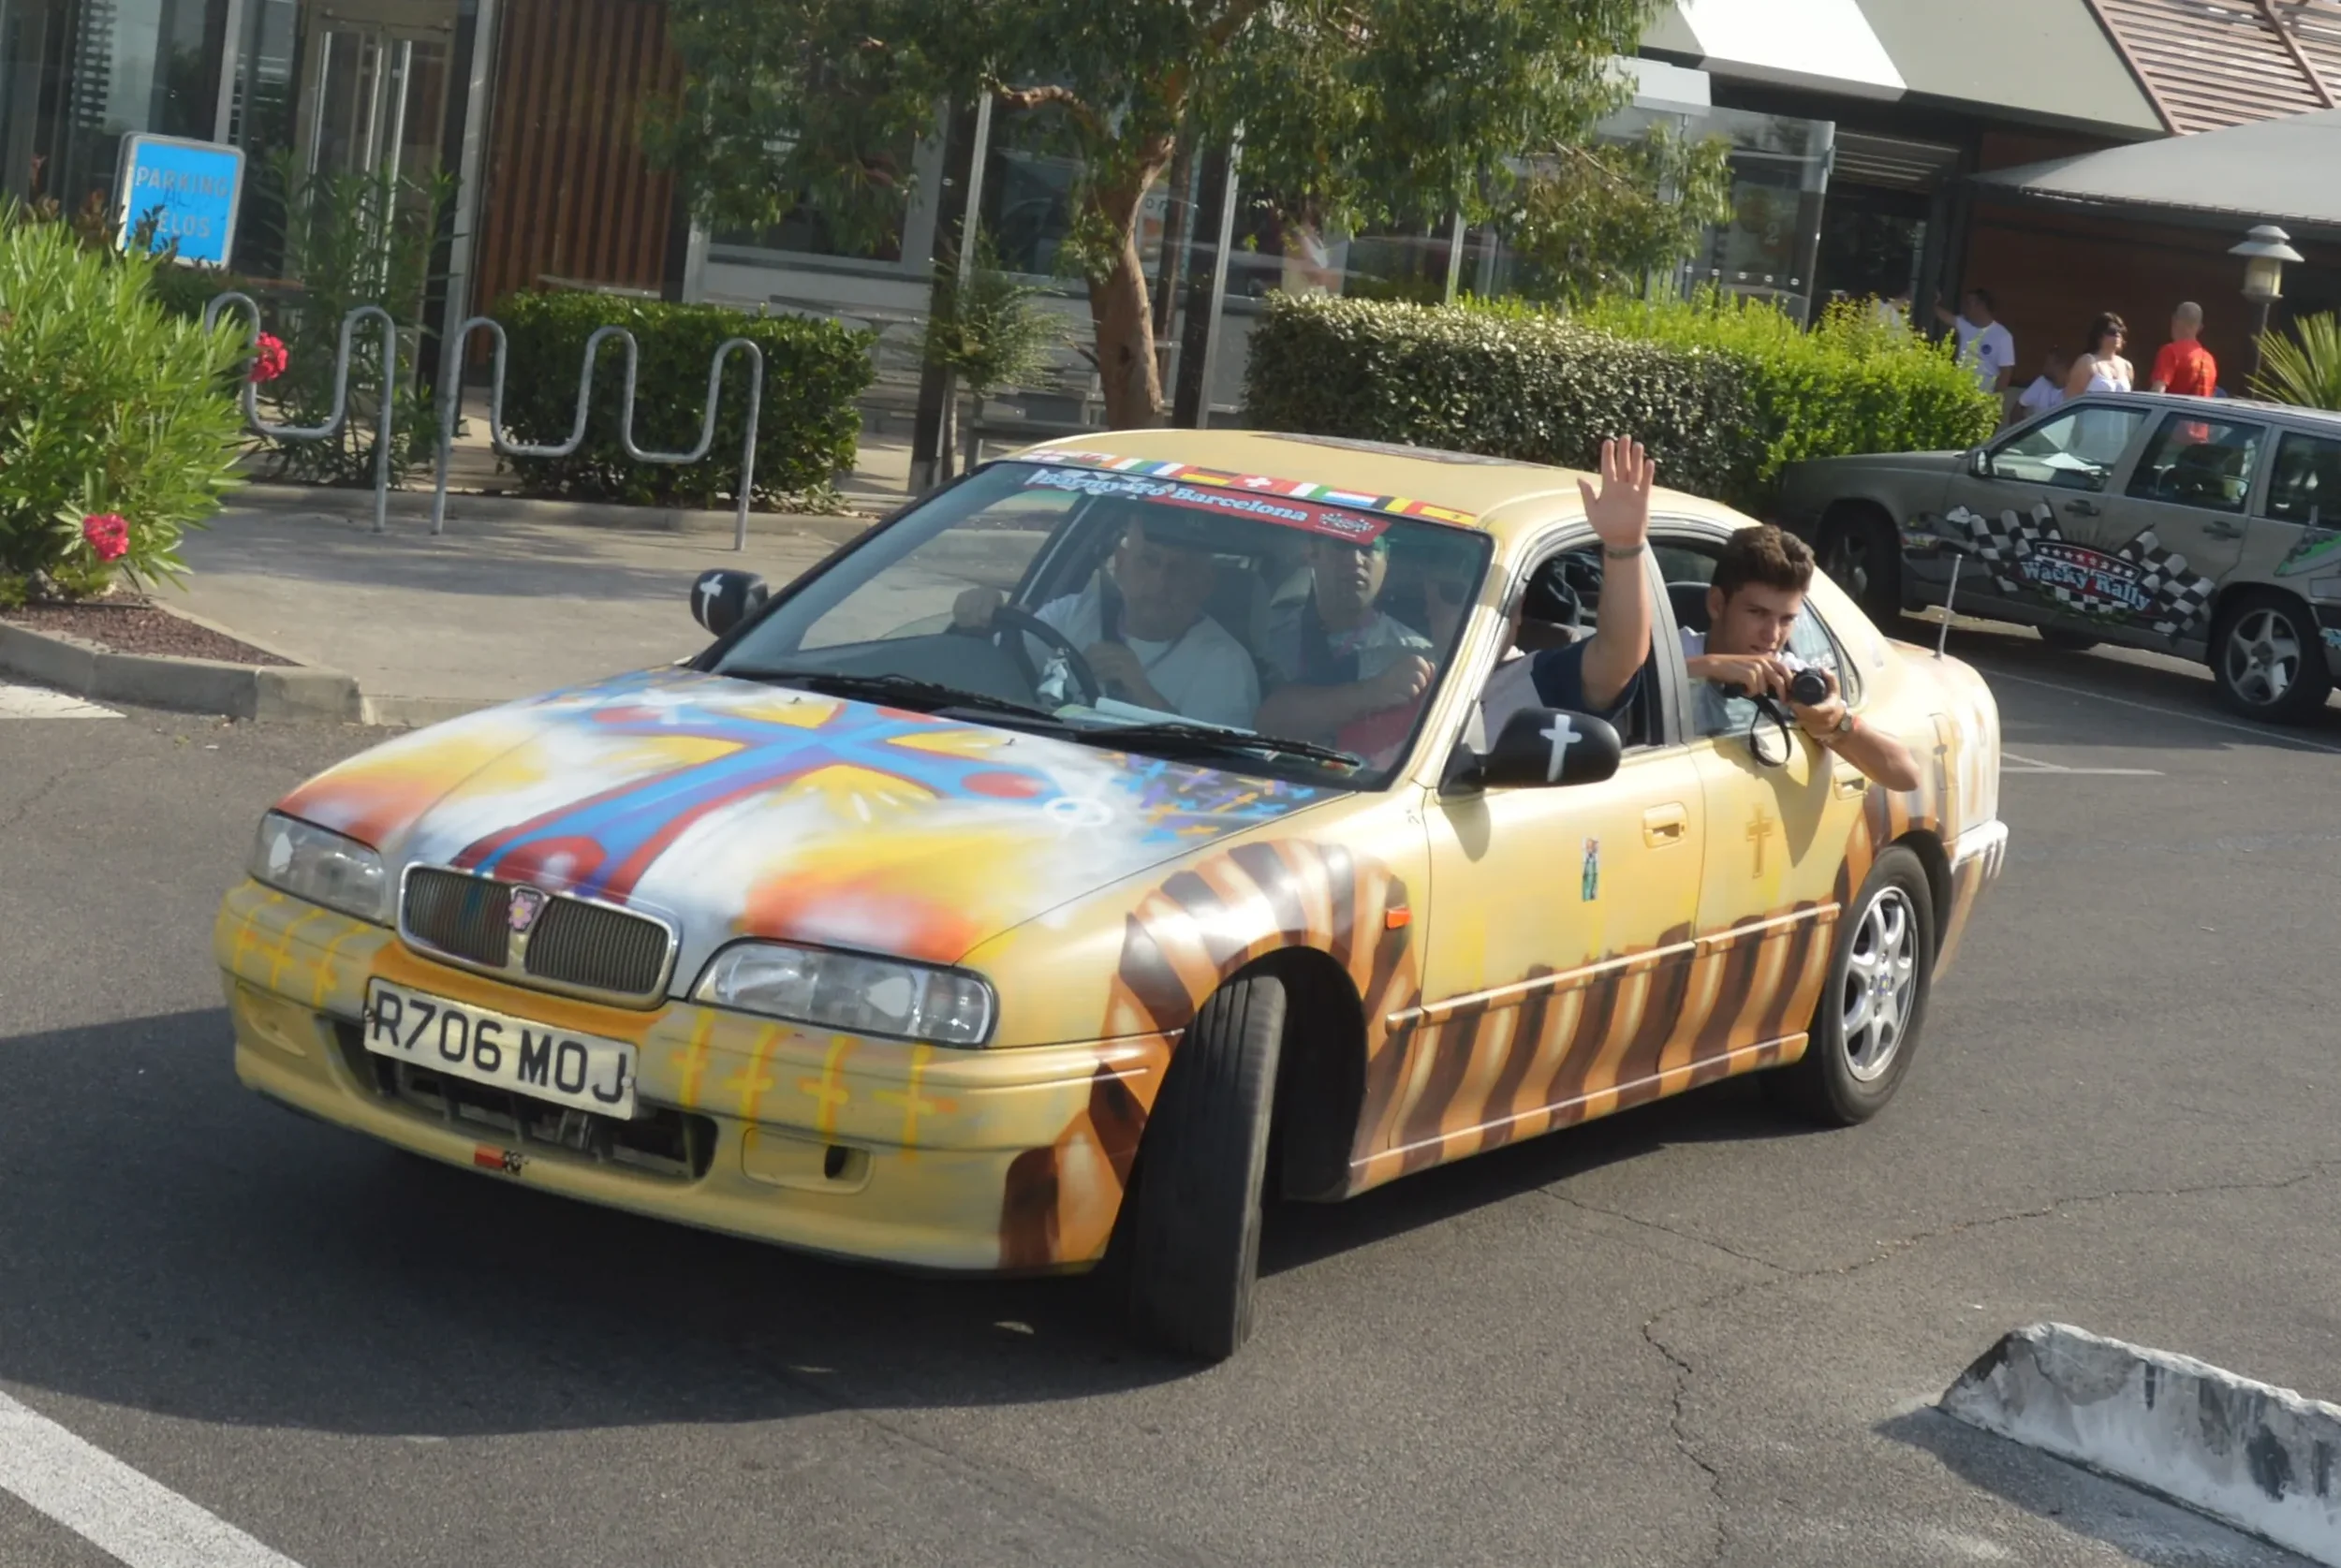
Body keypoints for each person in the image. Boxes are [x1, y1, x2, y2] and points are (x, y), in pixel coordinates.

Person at [951, 510, 1259, 727]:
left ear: (1206, 583)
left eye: (1181, 570)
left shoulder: (1225, 663)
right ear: (1121, 563)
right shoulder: (1071, 615)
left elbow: (1215, 767)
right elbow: (994, 669)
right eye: (1148, 561)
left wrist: (1142, 692)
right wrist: (977, 618)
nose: (1159, 583)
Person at [1683, 526, 1921, 790]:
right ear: (1717, 604)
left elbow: (1907, 776)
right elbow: (1631, 680)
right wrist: (1705, 668)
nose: (1772, 635)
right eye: (1757, 613)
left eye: (1787, 619)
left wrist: (1836, 724)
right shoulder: (1672, 654)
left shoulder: (1792, 680)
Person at [1473, 437, 1659, 749]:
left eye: (1495, 598)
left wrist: (1623, 547)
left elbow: (1619, 659)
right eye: (1458, 594)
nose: (1477, 610)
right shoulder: (1391, 667)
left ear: (1519, 607)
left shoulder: (1538, 678)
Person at [1254, 531, 1434, 749]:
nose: (1355, 560)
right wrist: (1370, 693)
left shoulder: (1412, 656)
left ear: (1386, 560)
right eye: (1342, 545)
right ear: (1312, 552)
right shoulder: (1267, 632)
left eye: (1369, 548)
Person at [1935, 288, 2016, 395]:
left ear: (1981, 306)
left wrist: (1994, 399)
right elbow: (1945, 316)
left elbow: (2006, 373)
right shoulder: (1964, 324)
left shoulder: (2002, 336)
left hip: (1984, 396)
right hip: (1960, 392)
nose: (1964, 307)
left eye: (1969, 303)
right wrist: (1933, 302)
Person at [2149, 302, 2218, 397]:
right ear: (2200, 328)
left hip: (2174, 410)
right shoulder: (2210, 360)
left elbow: (2157, 392)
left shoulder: (2170, 351)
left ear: (2174, 320)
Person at [2064, 313, 2134, 397]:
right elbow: (2070, 399)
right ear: (2099, 336)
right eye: (2112, 331)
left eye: (2120, 331)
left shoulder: (2127, 366)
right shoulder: (2087, 362)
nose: (2117, 335)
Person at [2017, 349, 2071, 417]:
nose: (2044, 367)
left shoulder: (2075, 386)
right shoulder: (2042, 381)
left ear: (2059, 366)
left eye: (2047, 363)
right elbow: (2019, 407)